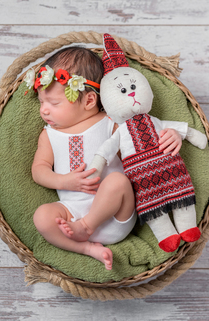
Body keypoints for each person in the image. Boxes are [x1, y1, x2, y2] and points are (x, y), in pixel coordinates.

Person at [31, 47, 184, 270]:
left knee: (117, 182)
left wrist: (171, 135)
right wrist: (64, 181)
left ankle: (88, 225)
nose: (44, 110)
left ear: (89, 100)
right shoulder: (49, 135)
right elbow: (39, 170)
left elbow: (145, 140)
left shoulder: (110, 123)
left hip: (115, 215)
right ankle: (87, 248)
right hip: (70, 215)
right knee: (42, 217)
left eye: (54, 104)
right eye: (41, 102)